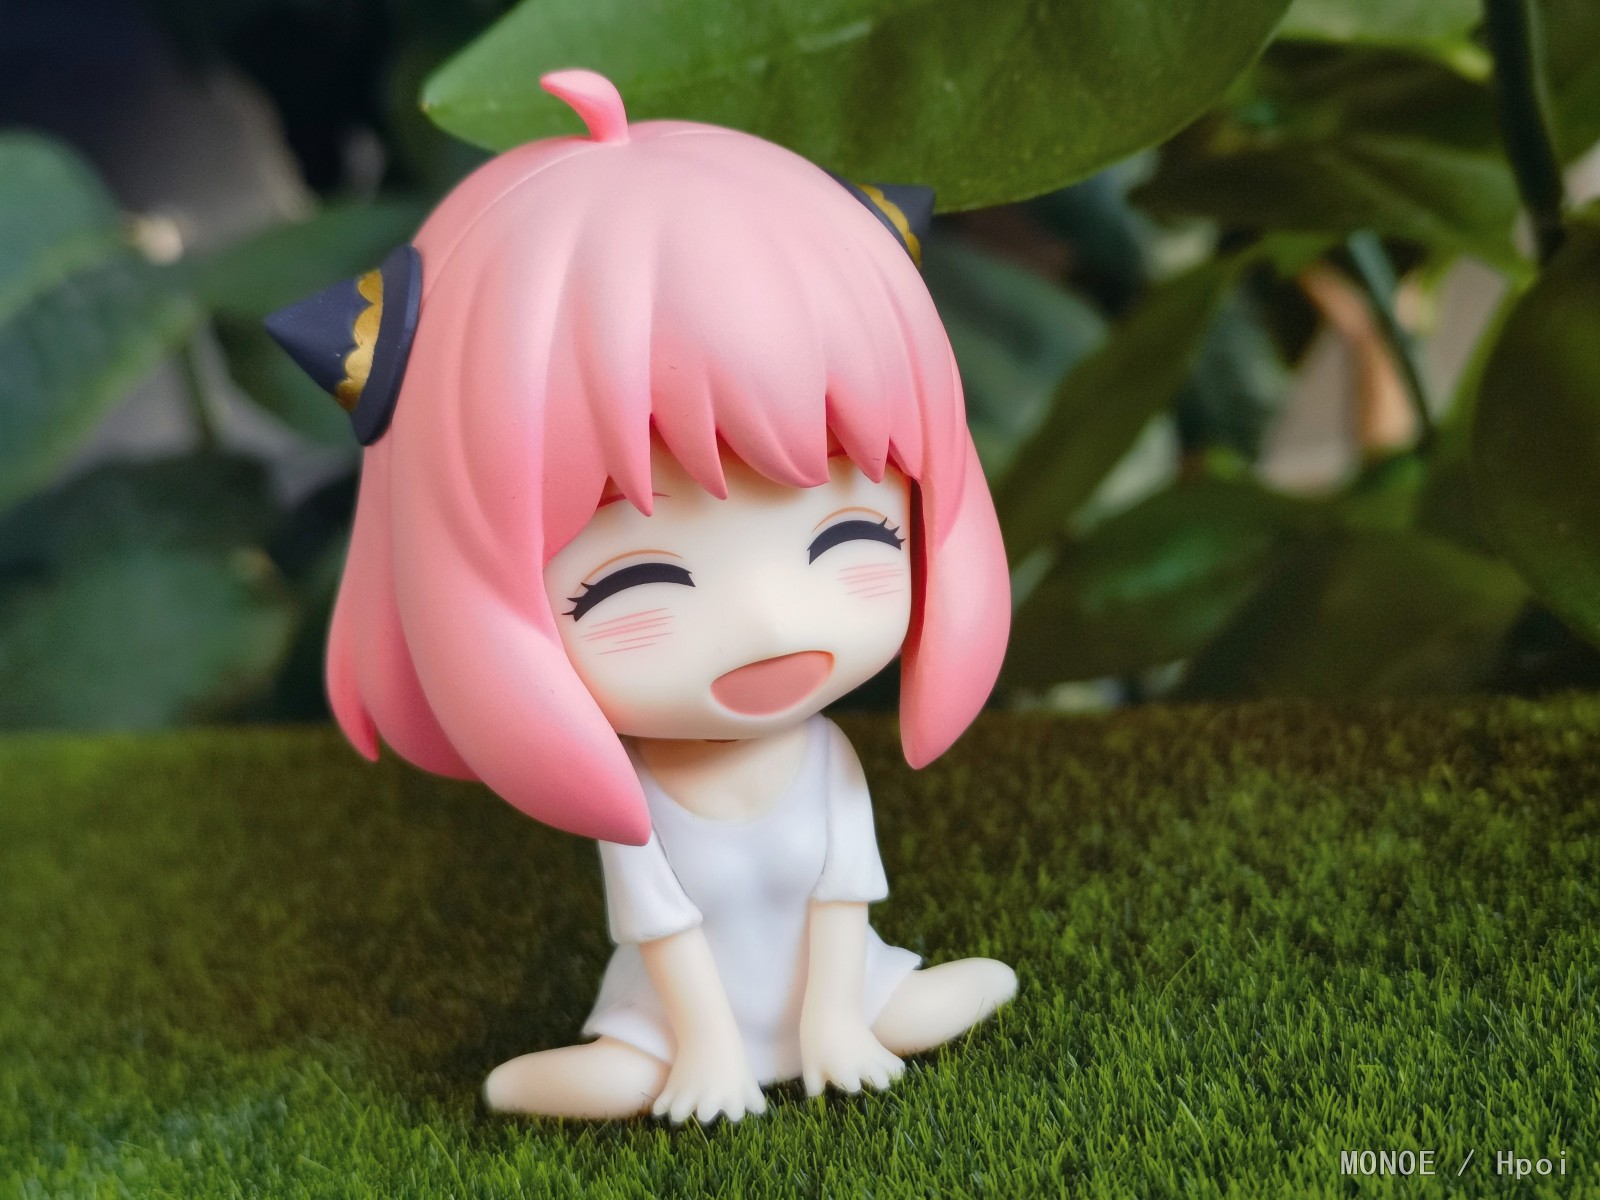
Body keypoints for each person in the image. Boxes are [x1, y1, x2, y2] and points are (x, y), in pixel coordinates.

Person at [274, 69, 1015, 1124]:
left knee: (910, 1000)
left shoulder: (825, 763)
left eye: (853, 537)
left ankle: (870, 1011)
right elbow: (664, 932)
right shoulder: (644, 803)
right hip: (675, 1023)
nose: (769, 621)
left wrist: (831, 1024)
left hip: (840, 991)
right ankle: (645, 1061)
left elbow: (841, 897)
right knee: (623, 1073)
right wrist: (707, 1052)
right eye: (636, 579)